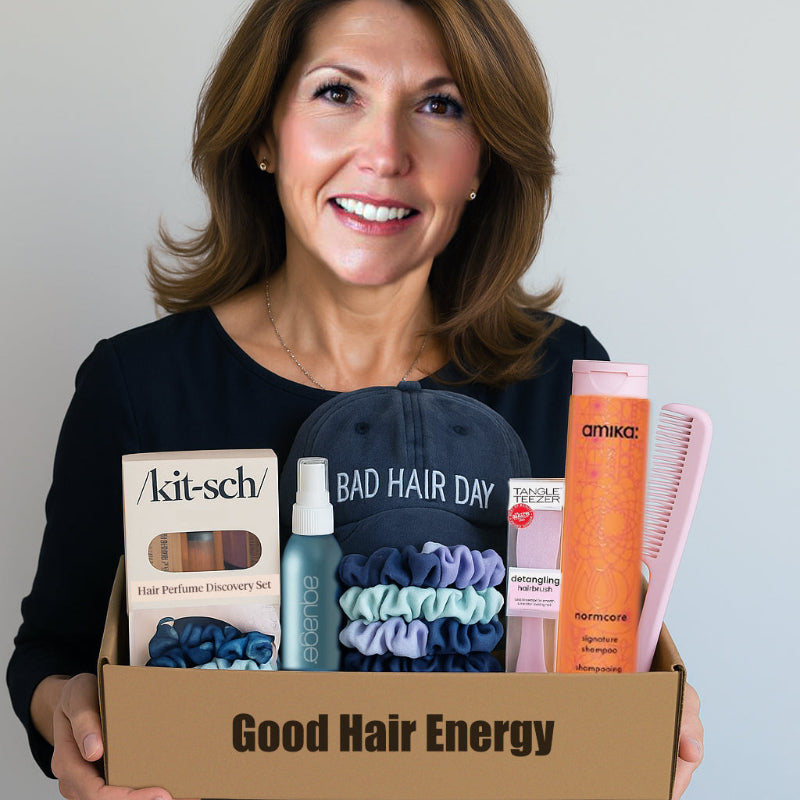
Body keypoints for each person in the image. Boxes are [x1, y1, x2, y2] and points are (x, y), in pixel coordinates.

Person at [6, 1, 704, 798]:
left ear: (481, 162)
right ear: (264, 134)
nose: (385, 153)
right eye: (338, 92)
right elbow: (51, 653)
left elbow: (610, 649)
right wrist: (69, 711)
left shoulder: (570, 383)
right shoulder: (138, 386)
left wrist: (650, 724)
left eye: (440, 105)